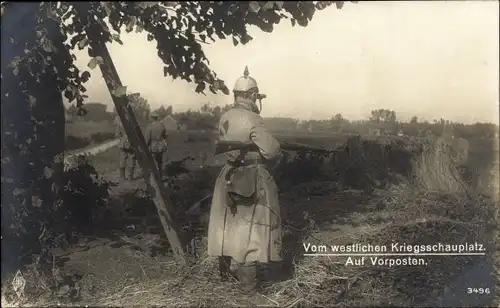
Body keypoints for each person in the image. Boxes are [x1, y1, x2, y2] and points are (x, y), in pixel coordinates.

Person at [207, 67, 283, 298]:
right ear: (252, 95)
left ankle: (225, 274)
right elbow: (270, 151)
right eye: (256, 96)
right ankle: (248, 290)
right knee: (252, 231)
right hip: (251, 176)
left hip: (229, 175)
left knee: (228, 225)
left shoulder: (226, 116)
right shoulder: (253, 118)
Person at [145, 111, 168, 177]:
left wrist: (146, 146)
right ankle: (160, 175)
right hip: (161, 145)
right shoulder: (162, 125)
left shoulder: (150, 126)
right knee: (160, 161)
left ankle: (154, 177)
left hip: (153, 146)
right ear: (157, 117)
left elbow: (147, 138)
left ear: (152, 118)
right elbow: (166, 135)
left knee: (153, 161)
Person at [115, 115, 137, 181]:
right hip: (132, 143)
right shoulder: (133, 122)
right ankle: (130, 177)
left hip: (123, 143)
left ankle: (122, 177)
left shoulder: (120, 123)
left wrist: (122, 138)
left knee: (122, 158)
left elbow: (117, 134)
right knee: (132, 158)